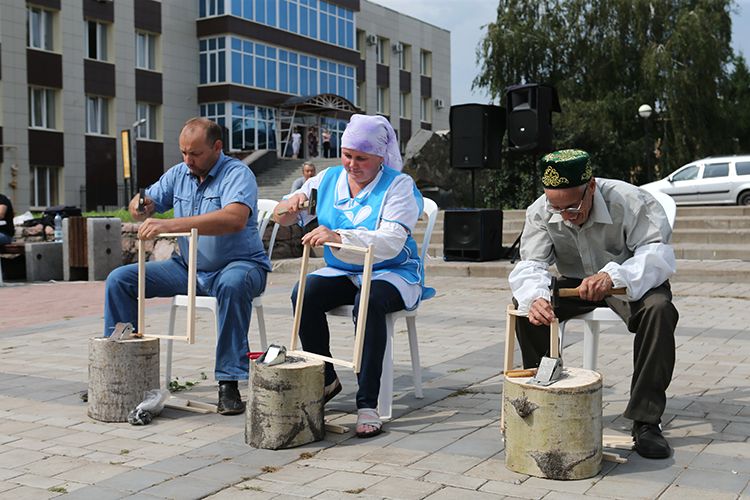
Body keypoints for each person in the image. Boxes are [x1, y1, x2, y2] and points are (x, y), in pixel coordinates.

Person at [509, 149, 679, 459]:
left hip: (628, 280)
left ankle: (646, 420)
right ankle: (545, 399)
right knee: (527, 308)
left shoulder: (630, 201)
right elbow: (531, 264)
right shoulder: (540, 211)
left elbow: (657, 256)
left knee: (659, 310)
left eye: (573, 207)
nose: (566, 216)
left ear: (592, 187)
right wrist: (535, 297)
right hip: (574, 281)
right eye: (556, 207)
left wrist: (614, 276)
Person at [273, 114, 430, 438]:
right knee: (304, 292)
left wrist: (339, 237)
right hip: (345, 269)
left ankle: (367, 401)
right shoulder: (327, 179)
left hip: (392, 270)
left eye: (362, 158)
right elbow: (286, 215)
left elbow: (391, 241)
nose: (352, 164)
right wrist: (288, 206)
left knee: (368, 300)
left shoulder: (397, 185)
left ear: (380, 158)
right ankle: (326, 378)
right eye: (347, 155)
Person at [104, 117, 271, 415]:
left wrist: (168, 223)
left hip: (240, 265)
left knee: (232, 284)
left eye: (195, 154)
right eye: (183, 152)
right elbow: (145, 204)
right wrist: (139, 205)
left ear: (217, 147)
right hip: (188, 267)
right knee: (120, 280)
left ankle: (228, 381)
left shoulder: (238, 173)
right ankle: (118, 371)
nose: (187, 160)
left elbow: (234, 218)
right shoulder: (179, 173)